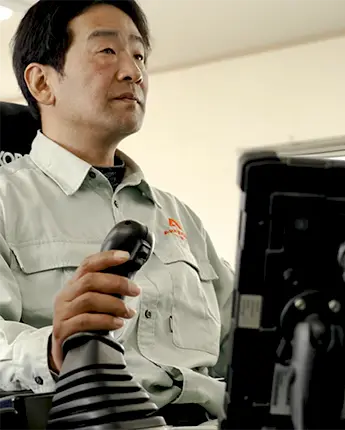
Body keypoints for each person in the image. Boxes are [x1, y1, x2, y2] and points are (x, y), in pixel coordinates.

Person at [0, 0, 233, 425]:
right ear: (42, 83)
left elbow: (248, 341)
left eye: (139, 55)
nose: (133, 71)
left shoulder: (179, 217)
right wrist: (54, 346)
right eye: (107, 51)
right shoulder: (4, 200)